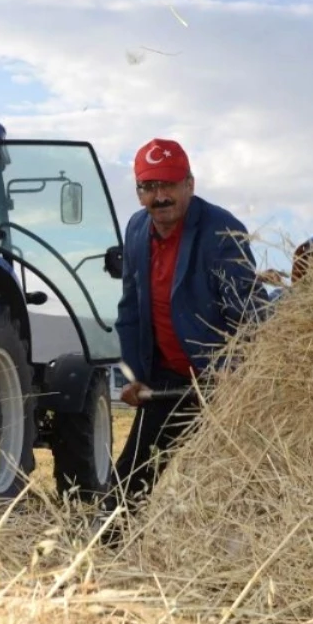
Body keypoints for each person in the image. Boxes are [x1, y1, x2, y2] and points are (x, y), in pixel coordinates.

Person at [101, 138, 266, 526]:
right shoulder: (137, 229)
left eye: (169, 185)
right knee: (130, 481)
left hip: (220, 383)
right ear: (139, 192)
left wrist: (234, 369)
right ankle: (107, 556)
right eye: (149, 187)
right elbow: (129, 308)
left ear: (189, 184)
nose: (160, 197)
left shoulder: (221, 231)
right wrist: (133, 375)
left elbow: (248, 310)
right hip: (167, 381)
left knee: (229, 485)